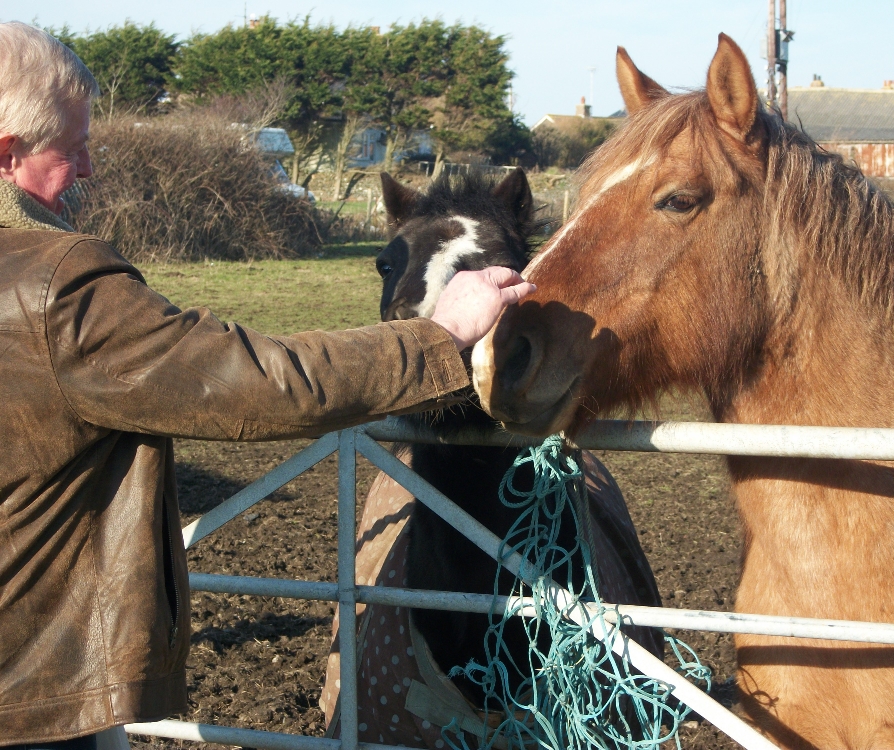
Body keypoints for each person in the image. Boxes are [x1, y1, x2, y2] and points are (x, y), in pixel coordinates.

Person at [0, 22, 534, 748]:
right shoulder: (54, 286)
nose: (90, 168)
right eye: (72, 150)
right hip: (28, 692)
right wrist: (437, 338)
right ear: (8, 156)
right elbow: (252, 384)